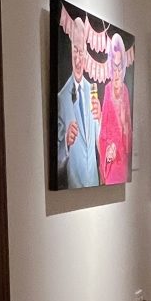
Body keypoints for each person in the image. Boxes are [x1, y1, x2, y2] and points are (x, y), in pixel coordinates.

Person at [56, 17, 101, 188]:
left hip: (95, 187)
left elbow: (100, 144)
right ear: (70, 50)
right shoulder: (61, 98)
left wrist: (101, 120)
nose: (78, 58)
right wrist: (66, 142)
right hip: (74, 189)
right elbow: (57, 163)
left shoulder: (93, 92)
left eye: (81, 51)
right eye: (75, 50)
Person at [98, 33, 132, 184]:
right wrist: (108, 149)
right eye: (114, 66)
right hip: (111, 162)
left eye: (120, 67)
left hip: (122, 162)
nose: (117, 72)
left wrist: (124, 124)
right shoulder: (106, 90)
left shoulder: (125, 92)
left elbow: (129, 136)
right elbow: (103, 133)